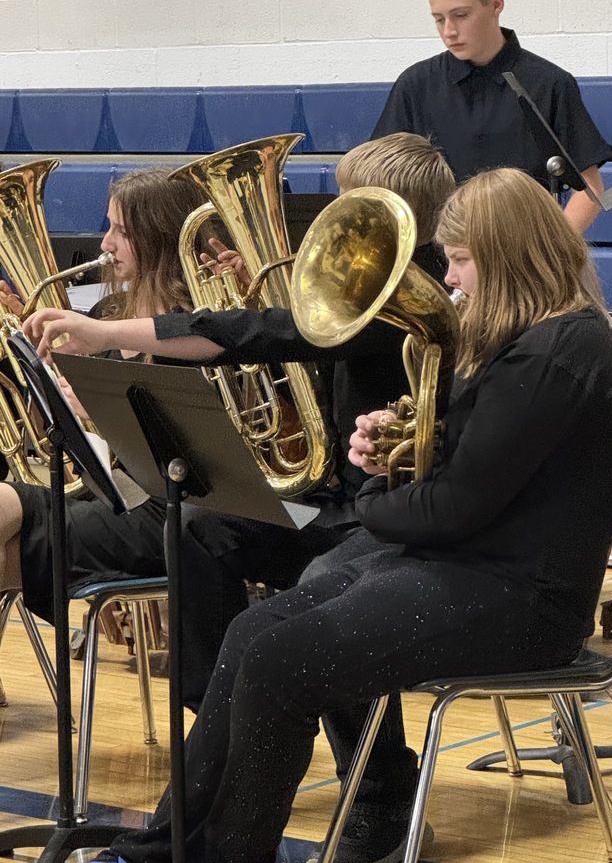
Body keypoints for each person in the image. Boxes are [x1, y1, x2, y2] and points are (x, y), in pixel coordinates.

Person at [60, 166, 612, 863]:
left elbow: (452, 508)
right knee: (253, 632)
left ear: (509, 259)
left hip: (523, 602)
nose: (451, 278)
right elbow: (466, 474)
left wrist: (369, 487)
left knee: (280, 663)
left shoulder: (554, 357)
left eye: (460, 260)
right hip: (471, 571)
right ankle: (166, 847)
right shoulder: (529, 344)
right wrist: (394, 446)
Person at [23, 133, 457, 721]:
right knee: (200, 526)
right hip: (330, 507)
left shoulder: (405, 299)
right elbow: (281, 334)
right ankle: (212, 716)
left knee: (318, 601)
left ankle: (379, 791)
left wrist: (106, 335)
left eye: (355, 207)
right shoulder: (359, 291)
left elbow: (264, 333)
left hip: (383, 521)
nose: (336, 221)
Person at [0, 168, 322, 666]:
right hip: (129, 504)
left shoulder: (203, 320)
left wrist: (101, 412)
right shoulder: (110, 314)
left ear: (158, 236)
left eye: (121, 231)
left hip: (175, 511)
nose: (105, 243)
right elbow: (95, 459)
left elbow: (217, 450)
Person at [372, 0, 612, 233]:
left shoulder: (550, 83)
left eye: (461, 15)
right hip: (436, 258)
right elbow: (378, 180)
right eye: (439, 20)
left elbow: (590, 189)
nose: (449, 31)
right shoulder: (415, 84)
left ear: (496, 5)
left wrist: (552, 252)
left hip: (519, 256)